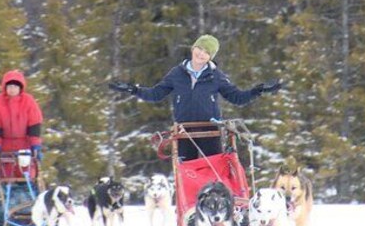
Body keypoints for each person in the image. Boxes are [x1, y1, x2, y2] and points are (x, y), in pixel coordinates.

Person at [108, 34, 281, 161]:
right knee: (187, 174)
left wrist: (258, 90)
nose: (201, 54)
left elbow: (237, 97)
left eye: (207, 52)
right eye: (199, 48)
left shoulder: (216, 76)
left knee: (213, 171)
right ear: (193, 49)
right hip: (184, 132)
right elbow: (156, 94)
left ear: (210, 57)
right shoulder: (176, 74)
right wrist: (133, 90)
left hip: (210, 130)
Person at [0, 69, 44, 226]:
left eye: (16, 86)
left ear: (21, 87)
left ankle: (32, 218)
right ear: (5, 87)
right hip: (3, 148)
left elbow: (35, 126)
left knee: (28, 182)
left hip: (24, 147)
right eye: (9, 86)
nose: (12, 89)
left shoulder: (29, 102)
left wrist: (36, 146)